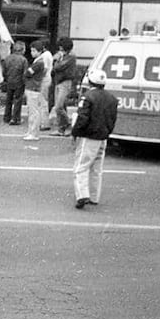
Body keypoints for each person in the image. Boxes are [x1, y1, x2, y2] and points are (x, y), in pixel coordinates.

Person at [71, 69, 118, 209]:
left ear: (90, 81)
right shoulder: (112, 98)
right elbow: (112, 120)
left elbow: (82, 118)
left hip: (88, 136)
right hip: (103, 136)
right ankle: (94, 196)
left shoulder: (88, 97)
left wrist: (75, 133)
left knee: (81, 167)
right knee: (97, 168)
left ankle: (82, 195)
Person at [50, 37, 77, 136]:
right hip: (58, 81)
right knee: (62, 106)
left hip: (65, 82)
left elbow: (58, 67)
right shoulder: (64, 55)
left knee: (58, 107)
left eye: (61, 47)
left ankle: (69, 125)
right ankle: (61, 128)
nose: (59, 49)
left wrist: (57, 60)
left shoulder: (70, 57)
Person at [22, 42, 47, 141]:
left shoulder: (39, 63)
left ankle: (34, 133)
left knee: (34, 112)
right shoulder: (38, 62)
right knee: (32, 111)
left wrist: (27, 71)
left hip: (33, 88)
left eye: (34, 51)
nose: (32, 53)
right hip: (33, 88)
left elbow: (28, 73)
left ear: (39, 51)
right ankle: (31, 131)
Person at [2, 41, 27, 125]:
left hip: (9, 81)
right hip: (19, 82)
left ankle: (6, 117)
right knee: (17, 100)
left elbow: (4, 72)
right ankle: (15, 118)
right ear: (22, 50)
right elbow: (25, 73)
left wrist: (6, 79)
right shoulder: (23, 60)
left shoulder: (7, 58)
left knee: (8, 100)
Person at [36, 40, 54, 130]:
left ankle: (44, 123)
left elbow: (45, 68)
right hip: (46, 79)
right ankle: (43, 122)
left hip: (44, 79)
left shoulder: (46, 55)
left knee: (43, 101)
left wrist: (39, 78)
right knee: (43, 100)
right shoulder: (48, 54)